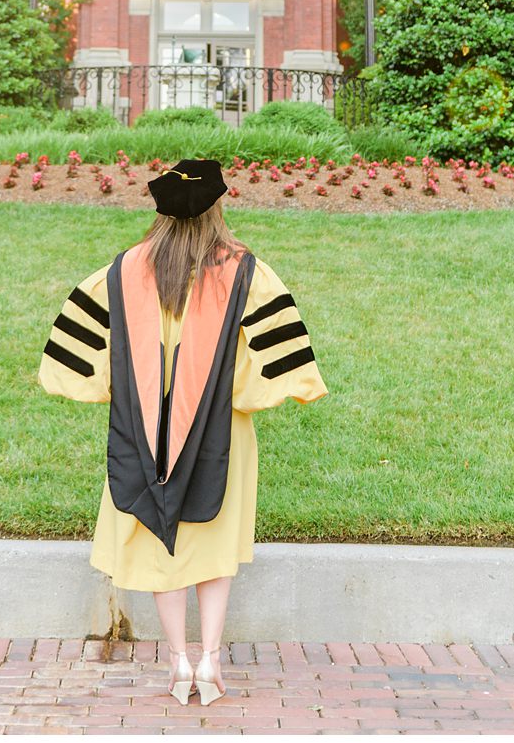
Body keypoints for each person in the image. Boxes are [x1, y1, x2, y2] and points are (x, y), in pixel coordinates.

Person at [39, 158, 327, 705]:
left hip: (144, 436)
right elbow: (267, 374)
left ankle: (176, 662)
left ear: (160, 212)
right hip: (220, 436)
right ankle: (211, 659)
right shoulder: (245, 272)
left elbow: (83, 364)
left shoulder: (122, 271)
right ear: (219, 207)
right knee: (212, 545)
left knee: (161, 549)